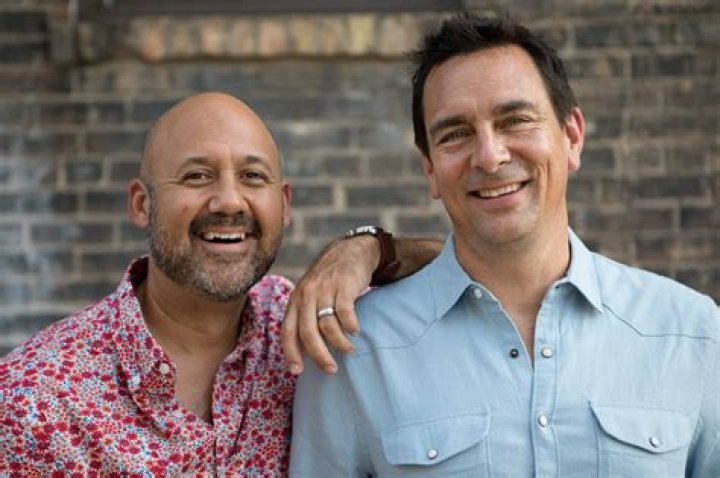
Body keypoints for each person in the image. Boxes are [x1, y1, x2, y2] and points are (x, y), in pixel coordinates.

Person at [290, 14, 720, 477]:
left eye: (515, 120)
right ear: (430, 168)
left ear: (572, 136)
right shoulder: (356, 352)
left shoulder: (691, 334)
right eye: (455, 134)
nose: (490, 156)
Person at [0, 92, 437, 475]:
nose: (229, 201)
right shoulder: (32, 400)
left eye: (253, 177)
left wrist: (370, 248)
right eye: (197, 176)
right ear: (142, 204)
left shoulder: (309, 330)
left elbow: (469, 269)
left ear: (283, 204)